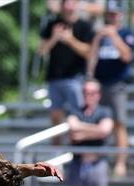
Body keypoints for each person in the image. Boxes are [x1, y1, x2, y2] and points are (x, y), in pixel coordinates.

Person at [90, 0, 134, 178]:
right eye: (109, 14)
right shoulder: (100, 35)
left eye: (115, 14)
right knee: (96, 121)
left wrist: (114, 36)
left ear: (121, 15)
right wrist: (97, 38)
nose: (112, 17)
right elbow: (91, 57)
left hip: (117, 84)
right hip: (99, 84)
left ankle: (120, 163)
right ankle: (96, 159)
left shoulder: (126, 33)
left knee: (119, 123)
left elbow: (127, 56)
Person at [40, 0, 95, 140]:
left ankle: (78, 150)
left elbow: (89, 52)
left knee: (78, 116)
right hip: (55, 77)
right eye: (66, 3)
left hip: (75, 78)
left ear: (76, 5)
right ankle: (56, 149)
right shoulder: (52, 24)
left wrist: (70, 40)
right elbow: (41, 51)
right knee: (55, 116)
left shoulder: (84, 25)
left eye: (71, 3)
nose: (68, 7)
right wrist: (54, 38)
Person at [66, 78, 114, 186]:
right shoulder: (75, 110)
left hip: (97, 163)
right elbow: (73, 128)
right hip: (77, 163)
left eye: (92, 93)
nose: (88, 96)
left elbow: (104, 131)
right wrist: (96, 130)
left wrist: (81, 132)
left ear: (99, 94)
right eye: (85, 92)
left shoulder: (105, 111)